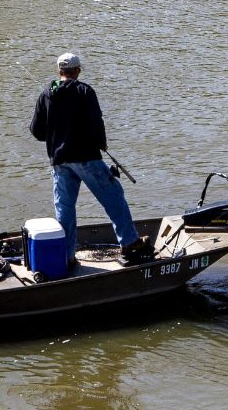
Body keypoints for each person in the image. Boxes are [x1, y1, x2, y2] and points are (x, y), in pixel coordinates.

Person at [29, 52, 150, 264]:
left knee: (64, 209)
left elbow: (37, 131)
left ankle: (66, 256)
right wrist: (101, 143)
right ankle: (129, 242)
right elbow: (96, 121)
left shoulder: (46, 93)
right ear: (77, 71)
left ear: (60, 71)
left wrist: (57, 137)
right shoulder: (84, 90)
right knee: (113, 196)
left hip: (59, 161)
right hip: (86, 157)